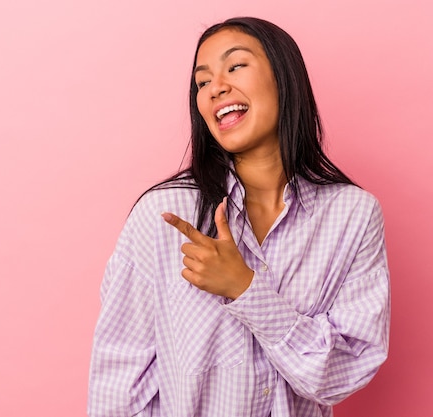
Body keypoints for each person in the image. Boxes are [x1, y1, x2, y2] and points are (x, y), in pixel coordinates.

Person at [87, 16, 390, 417]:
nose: (216, 87)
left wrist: (246, 289)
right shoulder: (163, 217)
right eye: (202, 81)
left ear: (284, 78)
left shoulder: (353, 215)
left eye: (235, 66)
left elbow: (343, 372)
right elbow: (118, 384)